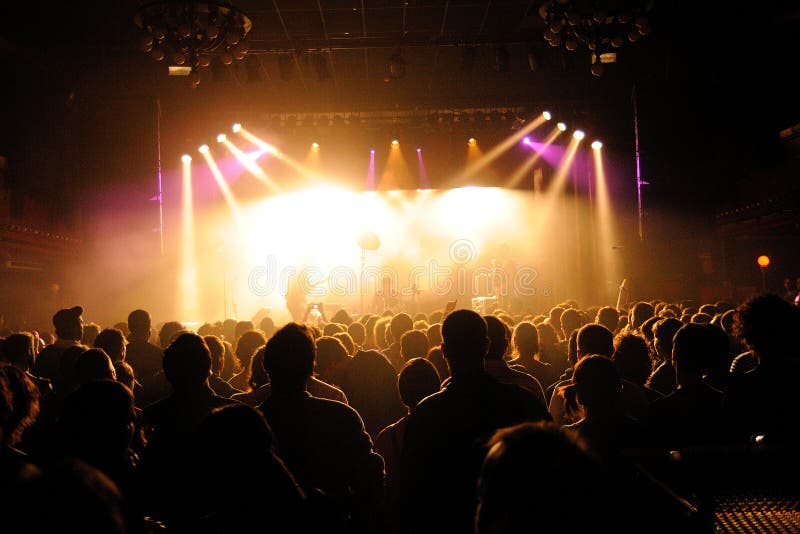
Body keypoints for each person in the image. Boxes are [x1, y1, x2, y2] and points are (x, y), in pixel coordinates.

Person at [397, 309, 550, 533]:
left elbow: (411, 494)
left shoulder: (426, 414)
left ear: (444, 351)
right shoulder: (523, 402)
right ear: (486, 346)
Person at [258, 323, 384, 533]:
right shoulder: (342, 416)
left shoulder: (246, 426)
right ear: (311, 367)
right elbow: (370, 479)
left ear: (265, 365)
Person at [33, 306, 84, 382]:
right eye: (81, 323)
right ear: (77, 328)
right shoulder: (83, 355)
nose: (82, 327)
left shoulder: (45, 353)